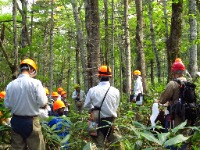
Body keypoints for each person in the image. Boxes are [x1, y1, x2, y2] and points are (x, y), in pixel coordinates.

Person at [4, 58, 47, 150]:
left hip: (16, 122)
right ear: (31, 69)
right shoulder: (36, 83)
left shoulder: (10, 85)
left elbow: (7, 105)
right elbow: (43, 102)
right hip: (31, 122)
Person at [84, 65, 124, 149]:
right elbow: (115, 106)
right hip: (111, 122)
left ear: (99, 76)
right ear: (110, 77)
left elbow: (86, 106)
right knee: (117, 146)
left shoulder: (92, 90)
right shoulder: (116, 91)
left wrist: (93, 108)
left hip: (95, 122)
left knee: (97, 147)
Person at [158, 59, 187, 149]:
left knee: (171, 136)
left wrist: (160, 101)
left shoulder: (172, 84)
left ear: (174, 71)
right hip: (186, 115)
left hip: (175, 116)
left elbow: (163, 99)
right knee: (182, 137)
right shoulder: (188, 82)